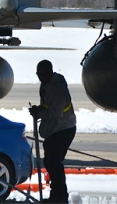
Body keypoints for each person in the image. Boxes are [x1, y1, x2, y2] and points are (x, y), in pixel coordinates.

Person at [29, 60, 77, 203]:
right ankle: (56, 195)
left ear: (50, 72)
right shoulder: (46, 85)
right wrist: (39, 109)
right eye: (40, 75)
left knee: (54, 162)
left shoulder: (58, 89)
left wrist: (39, 114)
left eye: (45, 74)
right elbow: (48, 106)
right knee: (49, 162)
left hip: (63, 129)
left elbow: (56, 114)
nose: (42, 77)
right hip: (53, 130)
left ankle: (60, 197)